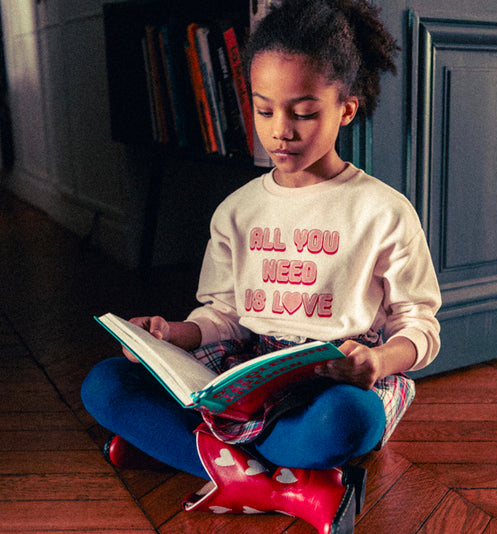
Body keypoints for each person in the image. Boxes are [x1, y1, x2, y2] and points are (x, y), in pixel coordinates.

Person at [80, 1, 441, 533]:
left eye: (303, 111)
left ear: (347, 108)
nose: (280, 131)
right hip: (247, 374)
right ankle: (283, 488)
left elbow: (421, 326)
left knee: (347, 421)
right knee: (105, 385)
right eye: (264, 109)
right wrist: (170, 335)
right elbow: (223, 315)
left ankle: (192, 455)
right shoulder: (238, 210)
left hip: (336, 381)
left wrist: (380, 362)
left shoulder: (384, 211)